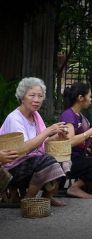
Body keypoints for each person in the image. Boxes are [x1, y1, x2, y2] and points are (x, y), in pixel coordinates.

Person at [0, 77, 67, 206]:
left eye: (40, 96)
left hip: (30, 161)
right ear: (22, 97)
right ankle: (28, 200)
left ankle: (48, 196)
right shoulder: (15, 118)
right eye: (32, 95)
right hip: (13, 166)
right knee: (46, 161)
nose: (36, 100)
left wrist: (57, 135)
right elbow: (23, 149)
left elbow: (41, 143)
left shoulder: (35, 115)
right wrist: (48, 131)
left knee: (62, 160)